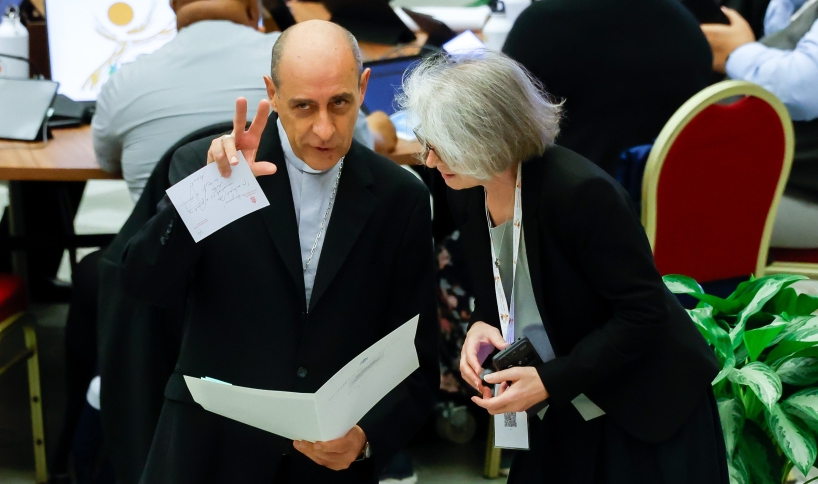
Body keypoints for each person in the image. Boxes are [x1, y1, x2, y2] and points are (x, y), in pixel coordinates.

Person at [120, 20, 437, 484]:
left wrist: (367, 436)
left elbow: (418, 355)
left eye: (340, 104)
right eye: (304, 106)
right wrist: (208, 196)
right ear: (272, 92)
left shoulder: (399, 198)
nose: (324, 128)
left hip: (328, 464)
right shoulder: (205, 169)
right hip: (210, 449)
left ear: (364, 87)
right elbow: (142, 284)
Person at [400, 50, 727, 483]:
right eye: (426, 142)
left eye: (442, 147)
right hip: (564, 399)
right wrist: (481, 323)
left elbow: (643, 313)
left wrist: (551, 380)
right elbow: (504, 277)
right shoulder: (467, 187)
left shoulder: (580, 194)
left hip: (640, 405)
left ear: (489, 138)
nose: (429, 160)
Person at [92, 0, 392, 202]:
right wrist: (378, 125)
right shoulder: (297, 58)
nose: (323, 129)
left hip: (166, 270)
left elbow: (107, 162)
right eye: (304, 105)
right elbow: (358, 146)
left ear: (173, 6)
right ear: (253, 8)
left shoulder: (122, 82)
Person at [501, 0, 714, 176]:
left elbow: (497, 129)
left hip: (583, 210)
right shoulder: (683, 22)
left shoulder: (540, 26)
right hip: (679, 205)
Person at [702, 0, 818, 248]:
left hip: (802, 193)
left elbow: (801, 90)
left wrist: (737, 52)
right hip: (770, 178)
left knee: (650, 204)